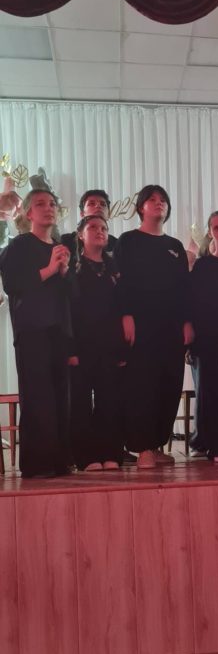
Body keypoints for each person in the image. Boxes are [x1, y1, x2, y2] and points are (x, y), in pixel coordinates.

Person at [115, 184, 193, 468]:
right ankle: (143, 447)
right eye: (152, 199)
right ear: (141, 207)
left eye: (163, 200)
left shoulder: (175, 246)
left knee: (169, 384)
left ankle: (158, 443)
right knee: (142, 385)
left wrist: (187, 321)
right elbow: (120, 281)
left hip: (171, 327)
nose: (159, 203)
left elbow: (184, 288)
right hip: (141, 325)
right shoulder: (128, 241)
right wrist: (125, 314)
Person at [0, 189, 72, 478]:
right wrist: (51, 269)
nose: (48, 208)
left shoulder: (60, 247)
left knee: (60, 397)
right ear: (28, 213)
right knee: (37, 397)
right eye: (40, 204)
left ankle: (59, 460)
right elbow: (12, 284)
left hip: (59, 331)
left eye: (52, 204)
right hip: (32, 330)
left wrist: (65, 272)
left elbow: (72, 294)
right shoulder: (19, 245)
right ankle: (37, 464)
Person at [68, 214, 126, 472]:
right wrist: (70, 349)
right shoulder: (72, 269)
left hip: (110, 345)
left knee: (110, 401)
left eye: (103, 228)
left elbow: (122, 309)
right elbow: (68, 312)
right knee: (81, 402)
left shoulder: (115, 269)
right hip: (81, 345)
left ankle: (111, 452)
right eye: (93, 227)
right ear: (81, 235)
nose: (99, 231)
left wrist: (123, 348)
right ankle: (86, 456)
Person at [190, 211, 218, 463]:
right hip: (208, 338)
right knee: (210, 392)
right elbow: (195, 304)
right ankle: (213, 444)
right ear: (210, 232)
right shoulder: (203, 266)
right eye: (217, 228)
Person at [61, 189, 116, 267]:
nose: (98, 206)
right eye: (92, 203)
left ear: (108, 214)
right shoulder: (67, 241)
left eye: (103, 204)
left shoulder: (116, 244)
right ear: (82, 214)